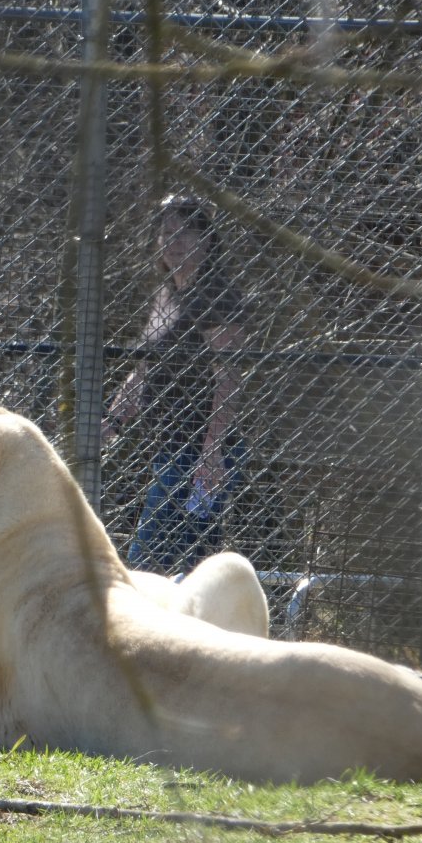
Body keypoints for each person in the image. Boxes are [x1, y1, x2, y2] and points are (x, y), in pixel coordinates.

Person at [104, 194, 248, 572]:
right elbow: (143, 371)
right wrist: (112, 422)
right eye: (166, 233)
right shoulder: (167, 294)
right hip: (169, 444)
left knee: (160, 562)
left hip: (202, 451)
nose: (173, 243)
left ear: (206, 240)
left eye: (185, 234)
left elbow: (228, 378)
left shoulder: (217, 294)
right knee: (173, 561)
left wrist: (212, 452)